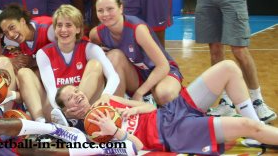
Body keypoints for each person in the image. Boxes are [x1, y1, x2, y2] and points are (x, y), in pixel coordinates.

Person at [56, 60, 278, 154]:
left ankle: (257, 131)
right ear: (69, 112)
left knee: (228, 67)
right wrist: (116, 131)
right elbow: (138, 147)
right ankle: (257, 131)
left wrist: (132, 110)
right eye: (71, 99)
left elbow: (150, 109)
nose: (77, 96)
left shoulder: (107, 101)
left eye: (76, 91)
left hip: (171, 111)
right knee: (248, 126)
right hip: (173, 134)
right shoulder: (92, 134)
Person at [26, 4, 120, 124]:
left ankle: (79, 120)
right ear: (54, 29)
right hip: (62, 108)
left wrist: (106, 95)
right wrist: (64, 112)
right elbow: (51, 91)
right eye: (59, 25)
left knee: (95, 64)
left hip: (89, 104)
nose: (63, 30)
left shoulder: (90, 48)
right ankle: (44, 124)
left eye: (69, 25)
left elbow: (113, 76)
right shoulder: (43, 53)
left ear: (78, 29)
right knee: (24, 73)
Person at [89, 0, 182, 106]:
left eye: (110, 9)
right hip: (137, 75)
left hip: (162, 72)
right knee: (114, 56)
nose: (105, 14)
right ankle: (117, 110)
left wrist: (139, 92)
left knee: (165, 94)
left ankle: (175, 102)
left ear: (121, 8)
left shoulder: (137, 29)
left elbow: (163, 66)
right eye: (100, 10)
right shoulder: (96, 34)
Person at [0, 3, 55, 72]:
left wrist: (34, 60)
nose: (11, 35)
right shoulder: (15, 37)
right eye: (6, 32)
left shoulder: (49, 29)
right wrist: (0, 57)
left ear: (22, 21)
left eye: (12, 27)